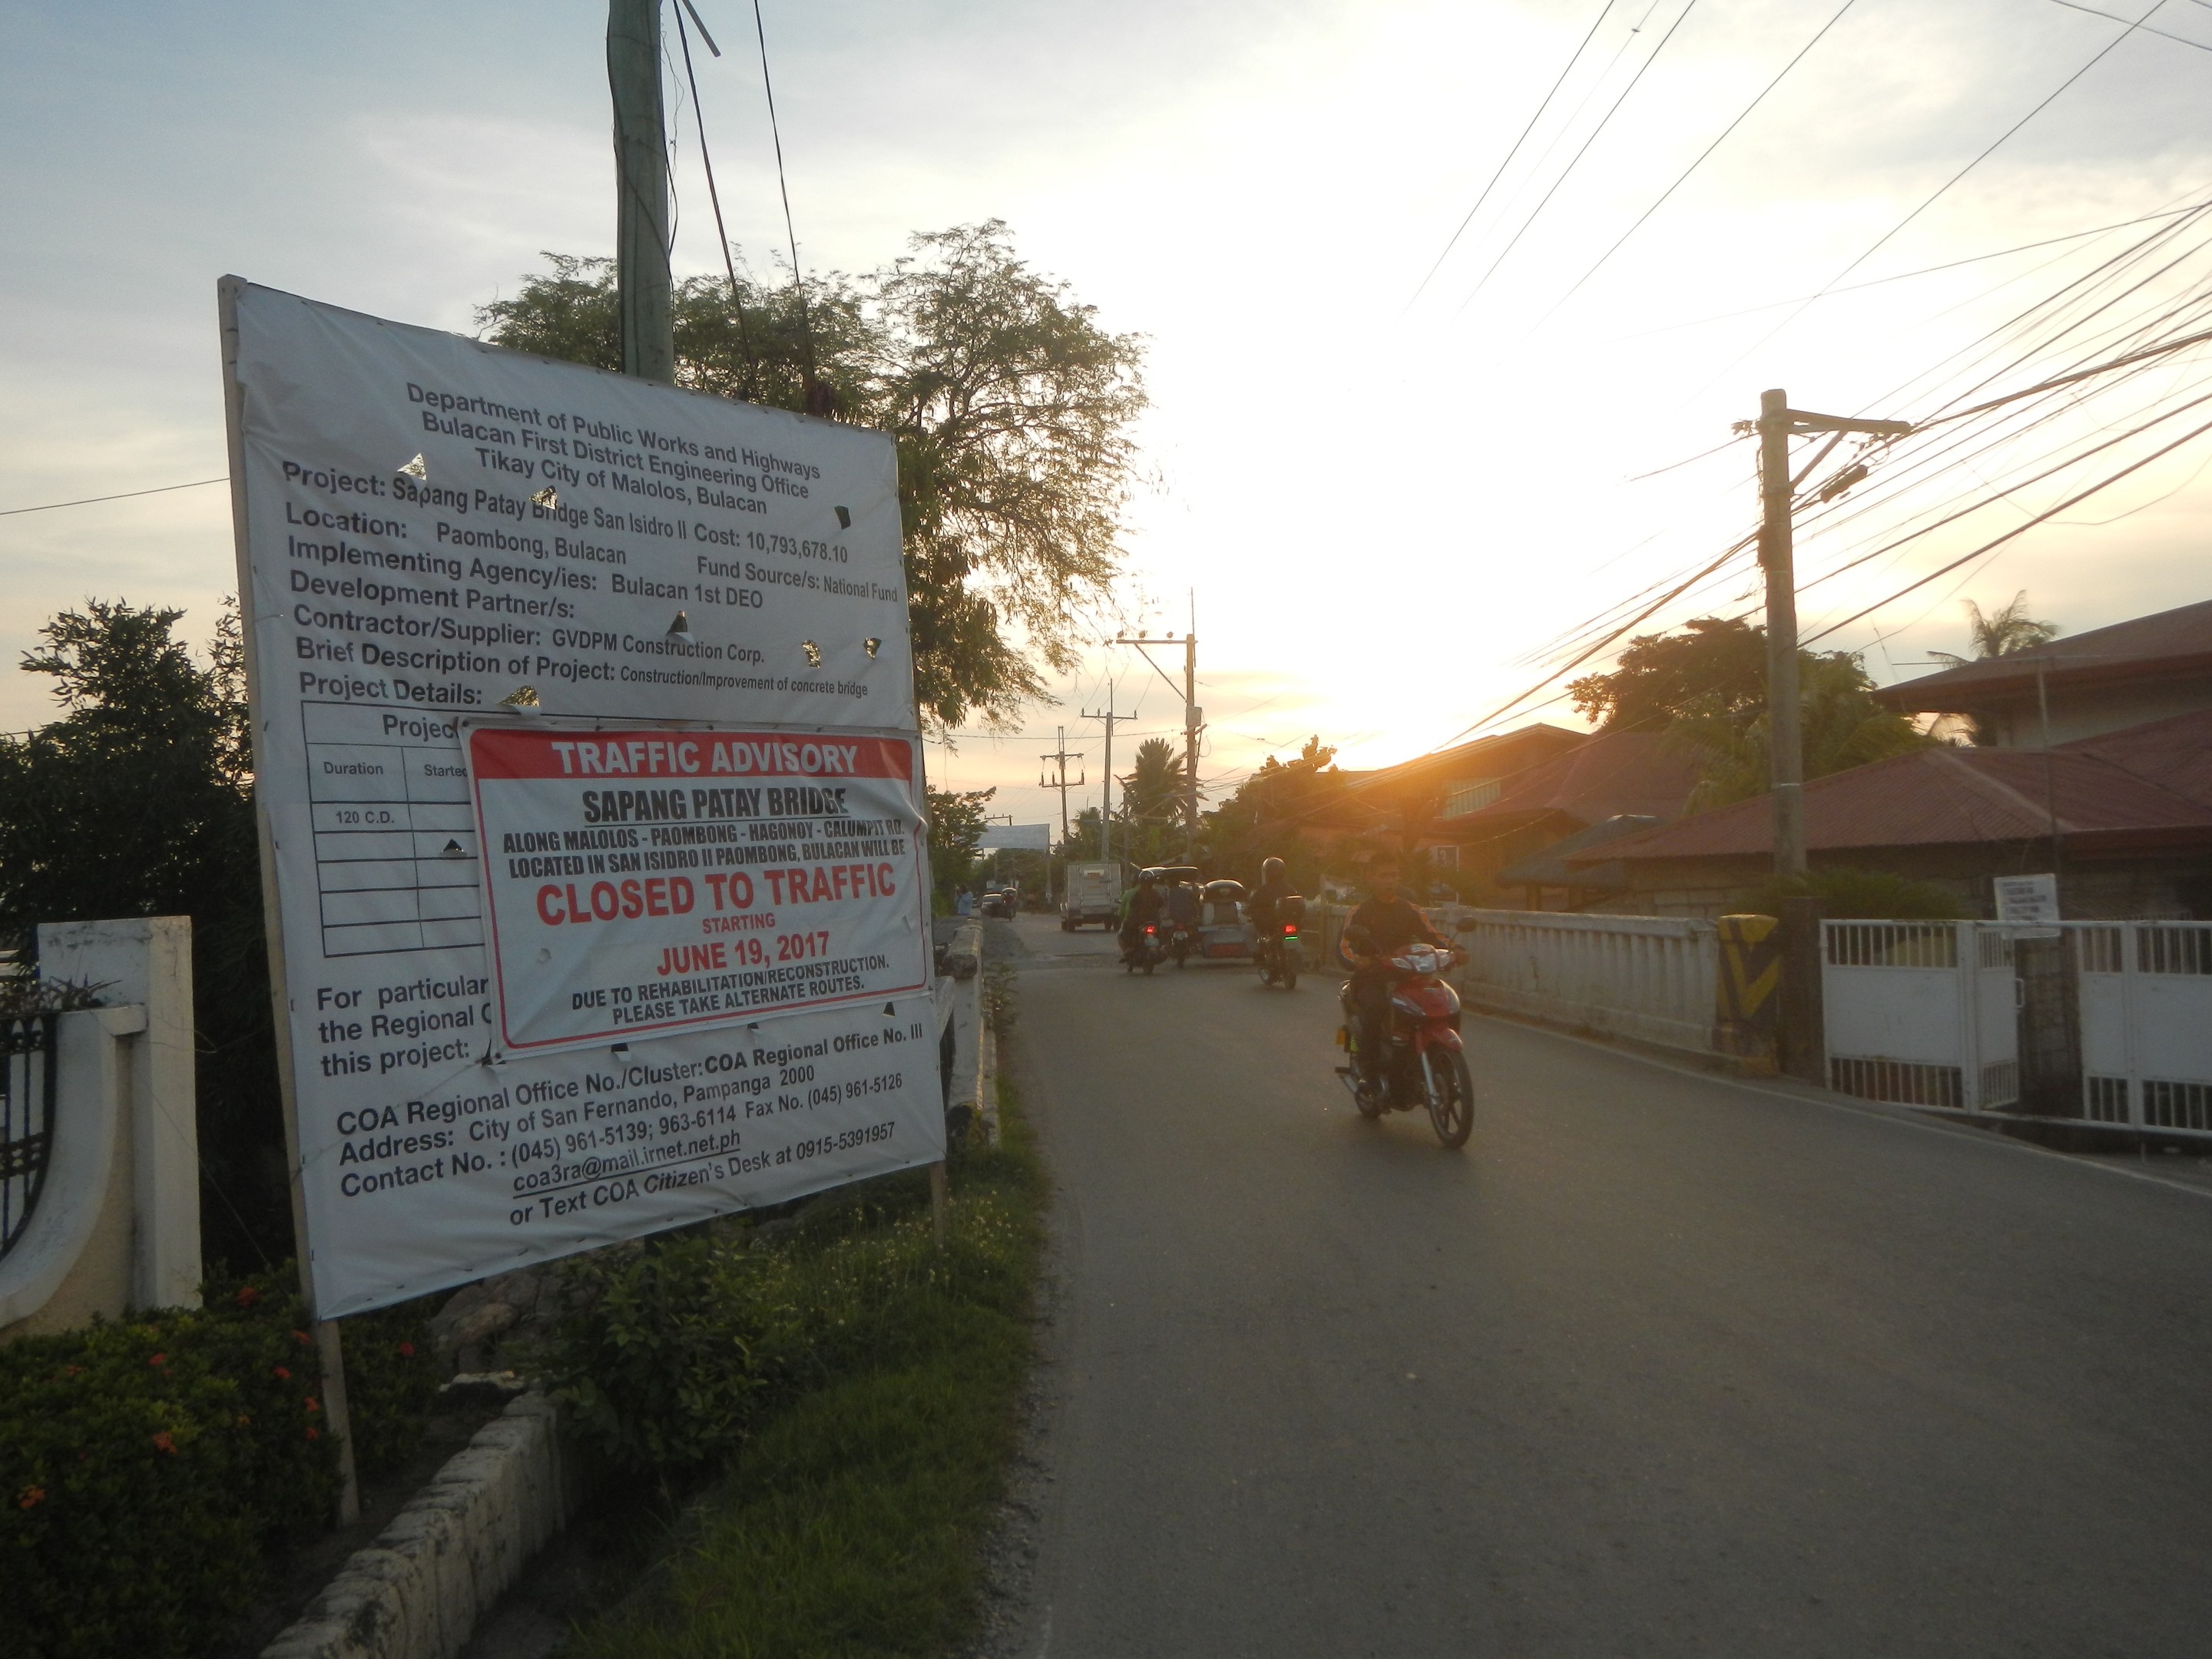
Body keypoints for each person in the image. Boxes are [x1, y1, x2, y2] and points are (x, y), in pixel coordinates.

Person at [1342, 859, 1449, 1088]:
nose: (1390, 880)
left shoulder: (1410, 910)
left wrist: (1454, 950)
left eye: (1394, 875)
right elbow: (1343, 948)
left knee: (1441, 1002)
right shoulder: (1359, 912)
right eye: (1384, 875)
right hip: (1372, 978)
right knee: (1375, 1008)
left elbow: (1433, 935)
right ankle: (1369, 1070)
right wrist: (1360, 960)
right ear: (1370, 877)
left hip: (1408, 976)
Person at [1118, 869, 1164, 959]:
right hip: (1154, 921)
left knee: (1125, 931)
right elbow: (1162, 905)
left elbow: (1132, 907)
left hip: (1139, 921)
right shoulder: (1155, 893)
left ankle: (1129, 949)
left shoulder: (1138, 894)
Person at [1246, 856, 1293, 933]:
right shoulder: (1290, 889)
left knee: (1247, 930)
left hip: (1270, 927)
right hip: (1286, 926)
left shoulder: (1262, 891)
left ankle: (1254, 946)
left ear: (1266, 872)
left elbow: (1251, 907)